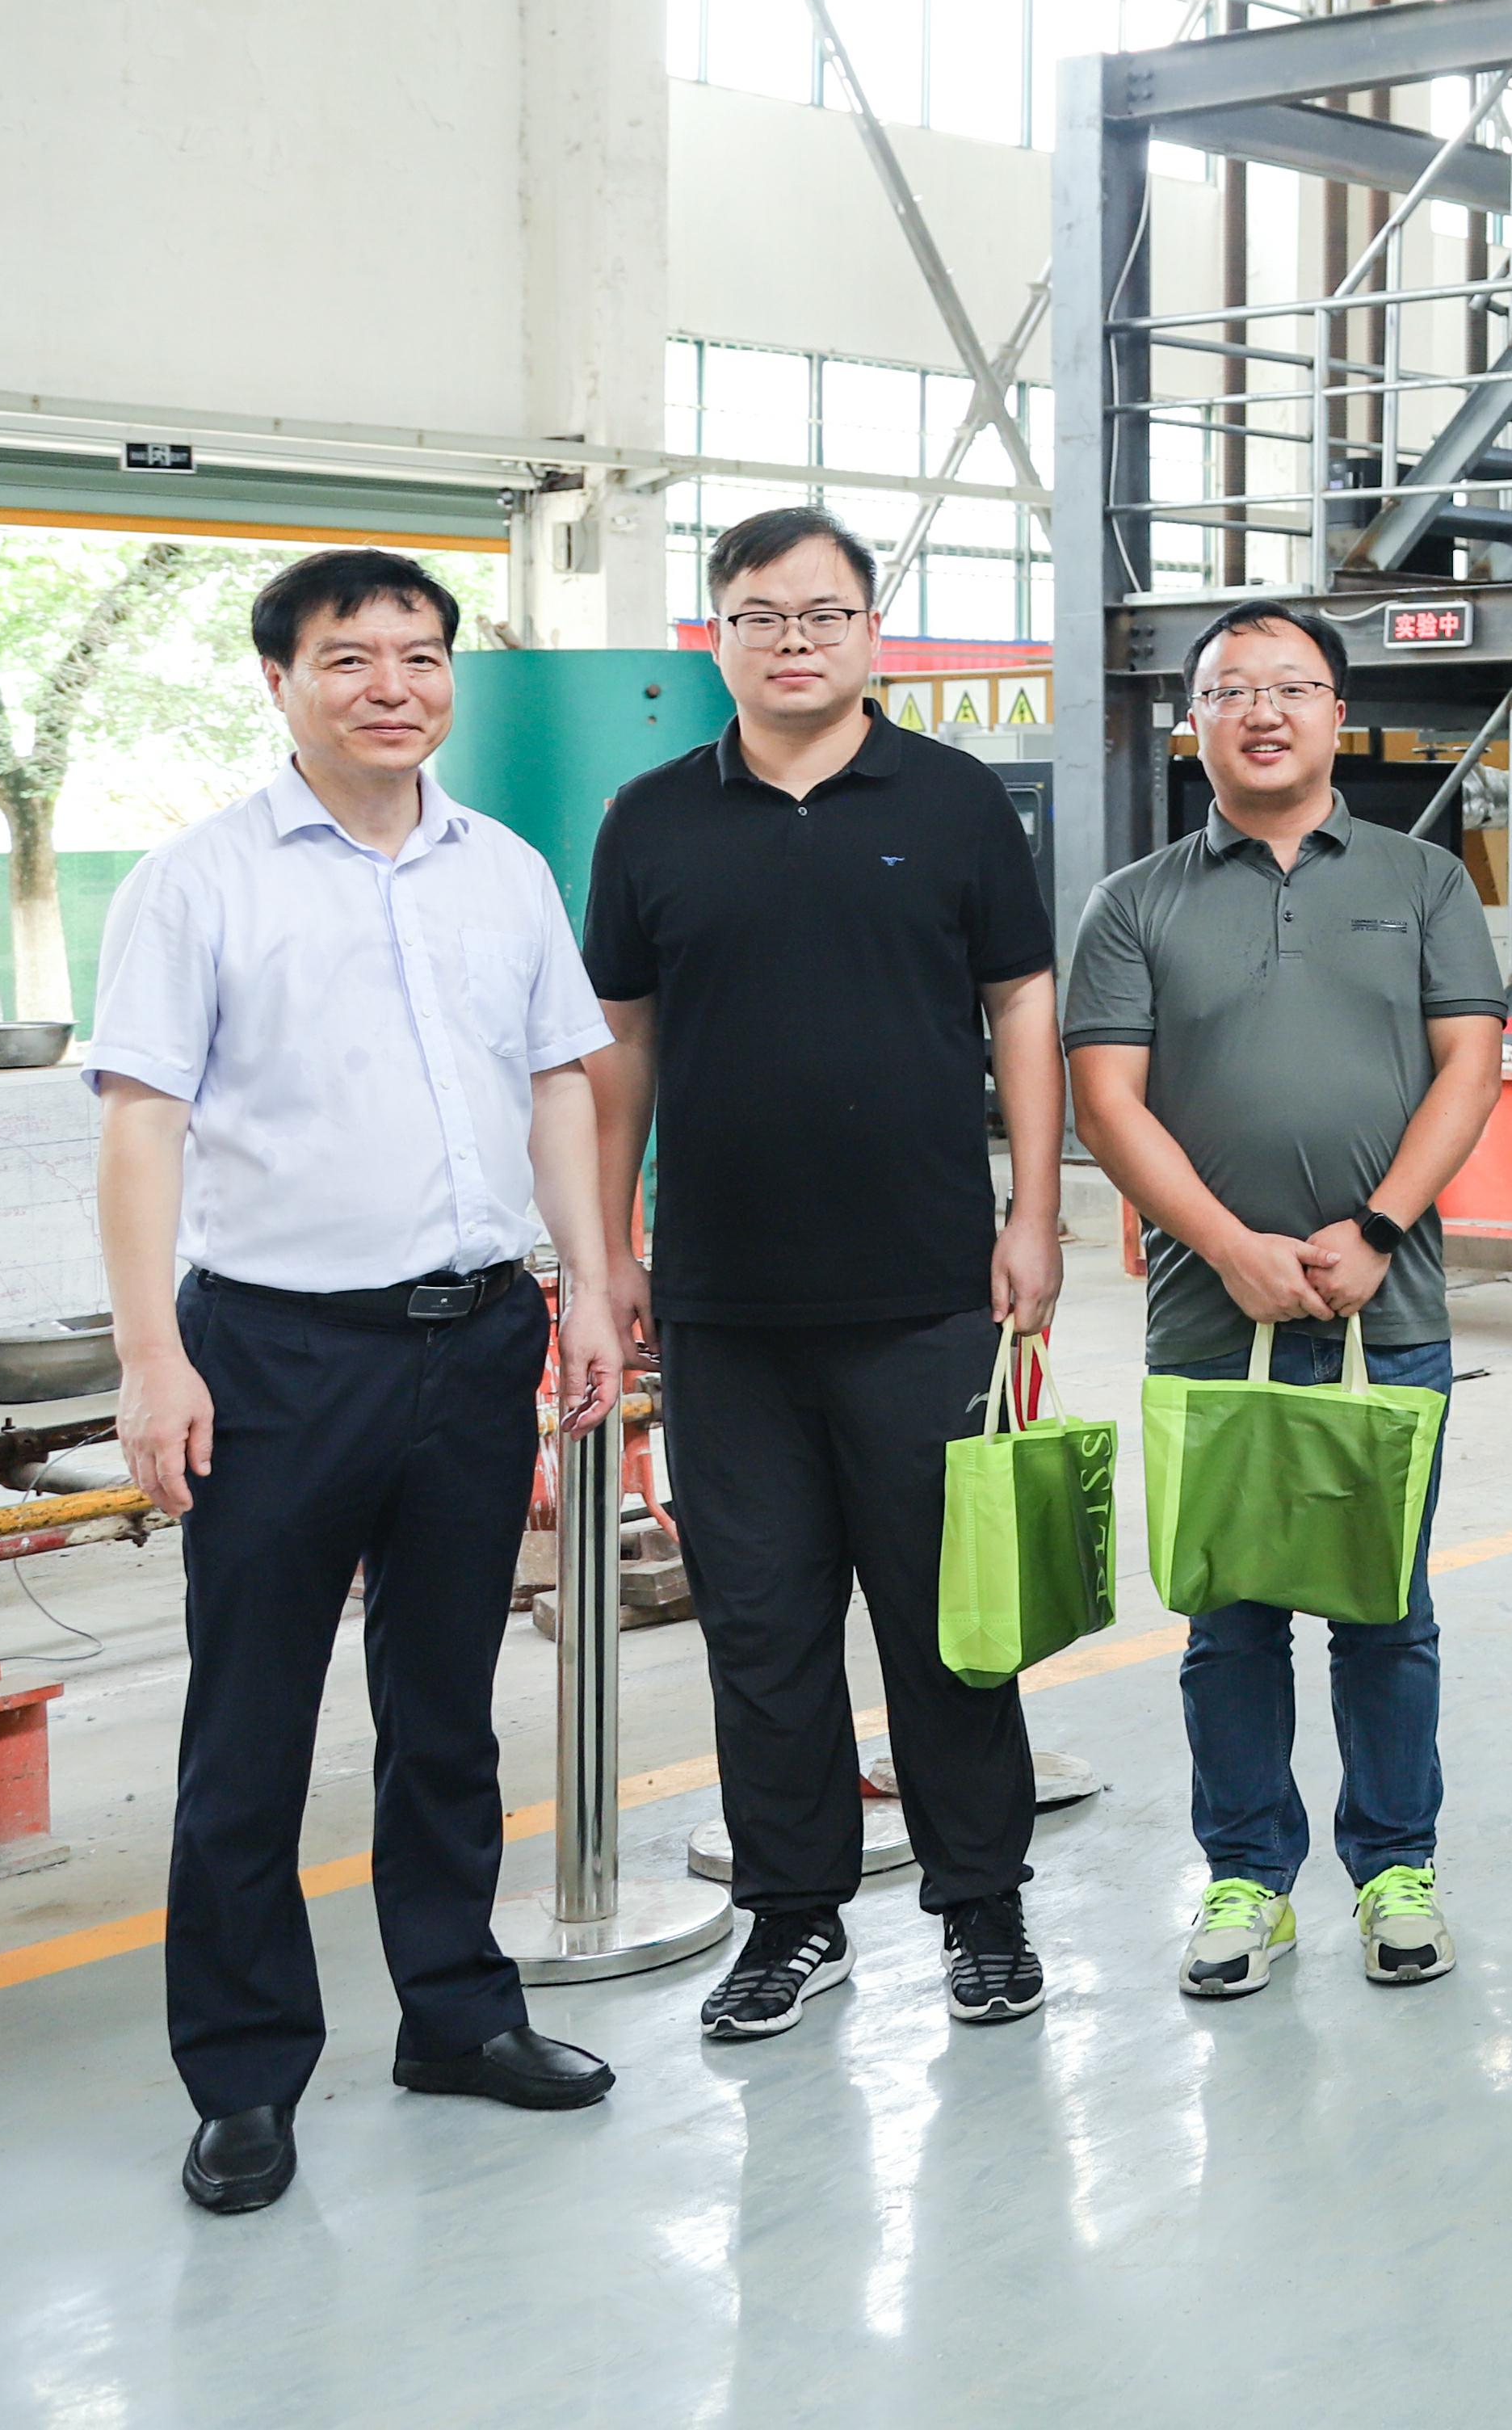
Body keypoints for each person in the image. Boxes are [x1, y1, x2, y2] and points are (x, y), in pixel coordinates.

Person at [88, 550, 632, 2218]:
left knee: (446, 1704)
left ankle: (457, 2015)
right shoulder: (194, 882)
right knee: (250, 1727)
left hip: (477, 1337)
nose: (392, 685)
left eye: (420, 654)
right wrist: (152, 1356)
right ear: (281, 682)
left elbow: (557, 1087)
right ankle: (245, 2075)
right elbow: (141, 1125)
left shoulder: (504, 871)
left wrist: (587, 1283)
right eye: (350, 657)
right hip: (274, 1351)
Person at [584, 507, 1065, 2042]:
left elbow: (1022, 1005)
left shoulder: (957, 800)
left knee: (946, 1623)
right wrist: (608, 1250)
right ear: (716, 636)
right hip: (723, 1305)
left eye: (823, 614)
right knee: (763, 1629)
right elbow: (620, 1047)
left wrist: (1036, 1212)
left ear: (871, 630)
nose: (793, 641)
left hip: (928, 1292)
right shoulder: (652, 819)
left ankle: (981, 1905)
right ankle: (793, 1920)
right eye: (760, 616)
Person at [1066, 601, 1509, 2003]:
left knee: (1386, 1607)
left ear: (1335, 714)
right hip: (1211, 1320)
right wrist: (1224, 1246)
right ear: (1192, 722)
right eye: (1232, 690)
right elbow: (1107, 1102)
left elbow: (1470, 1064)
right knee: (1231, 1618)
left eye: (1293, 687)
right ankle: (1248, 1877)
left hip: (1391, 1311)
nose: (1263, 712)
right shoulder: (1133, 902)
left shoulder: (1421, 879)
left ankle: (1395, 1869)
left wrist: (1378, 1228)